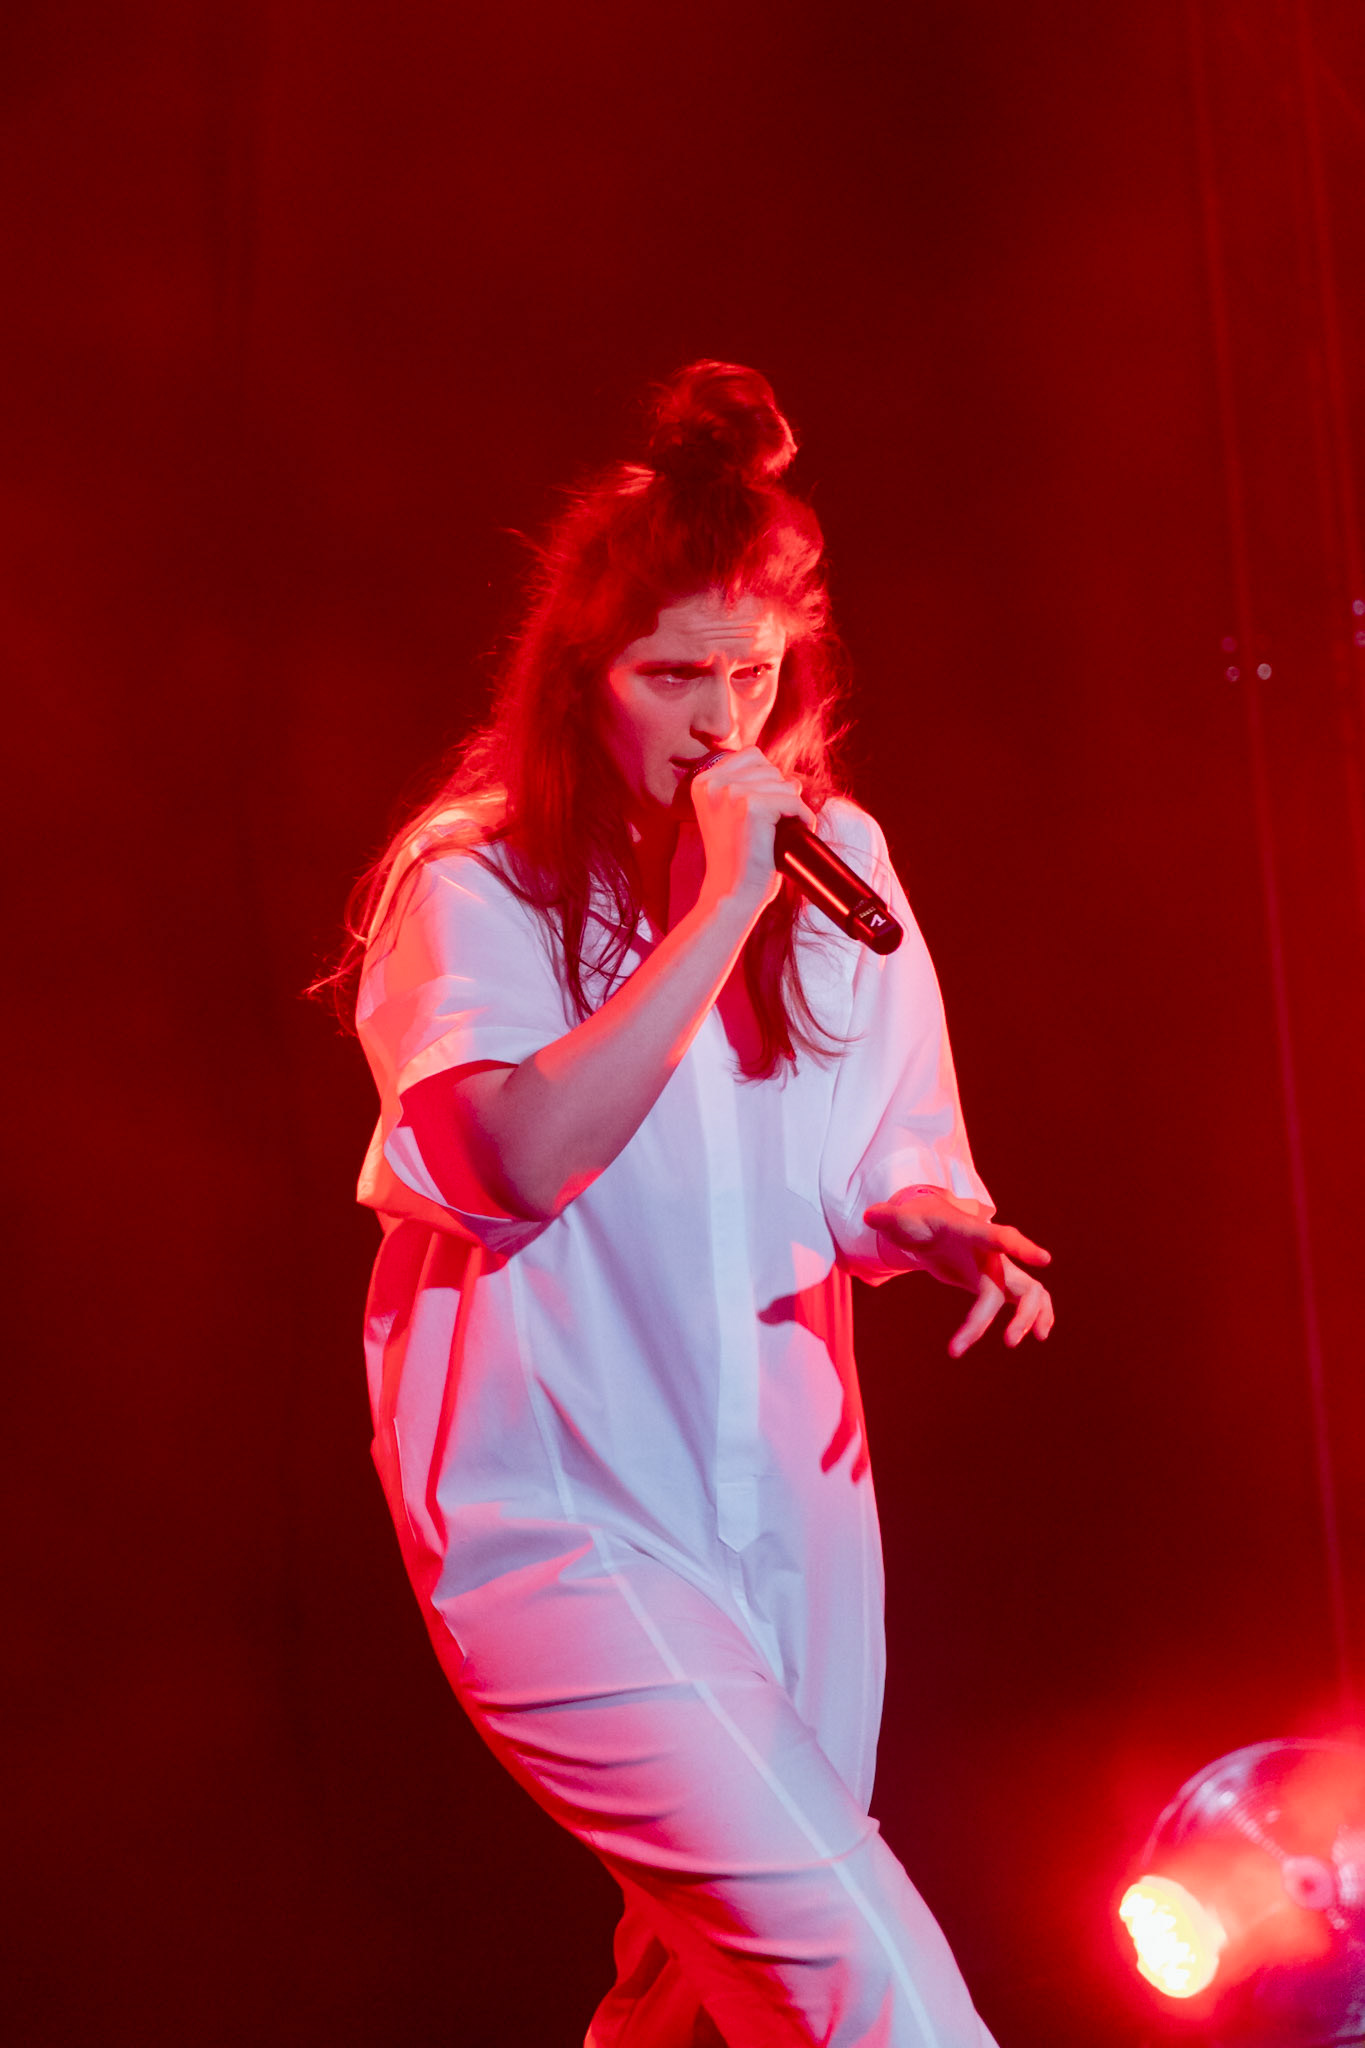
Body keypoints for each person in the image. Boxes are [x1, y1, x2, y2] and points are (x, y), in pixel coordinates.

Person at [346, 361, 1053, 2047]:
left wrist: (934, 1218)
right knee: (866, 1979)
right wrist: (714, 909)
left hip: (790, 1523)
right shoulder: (477, 880)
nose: (721, 722)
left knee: (692, 1996)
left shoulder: (846, 862)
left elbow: (882, 1150)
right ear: (579, 677)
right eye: (672, 677)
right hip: (565, 1527)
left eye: (752, 673)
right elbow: (516, 1154)